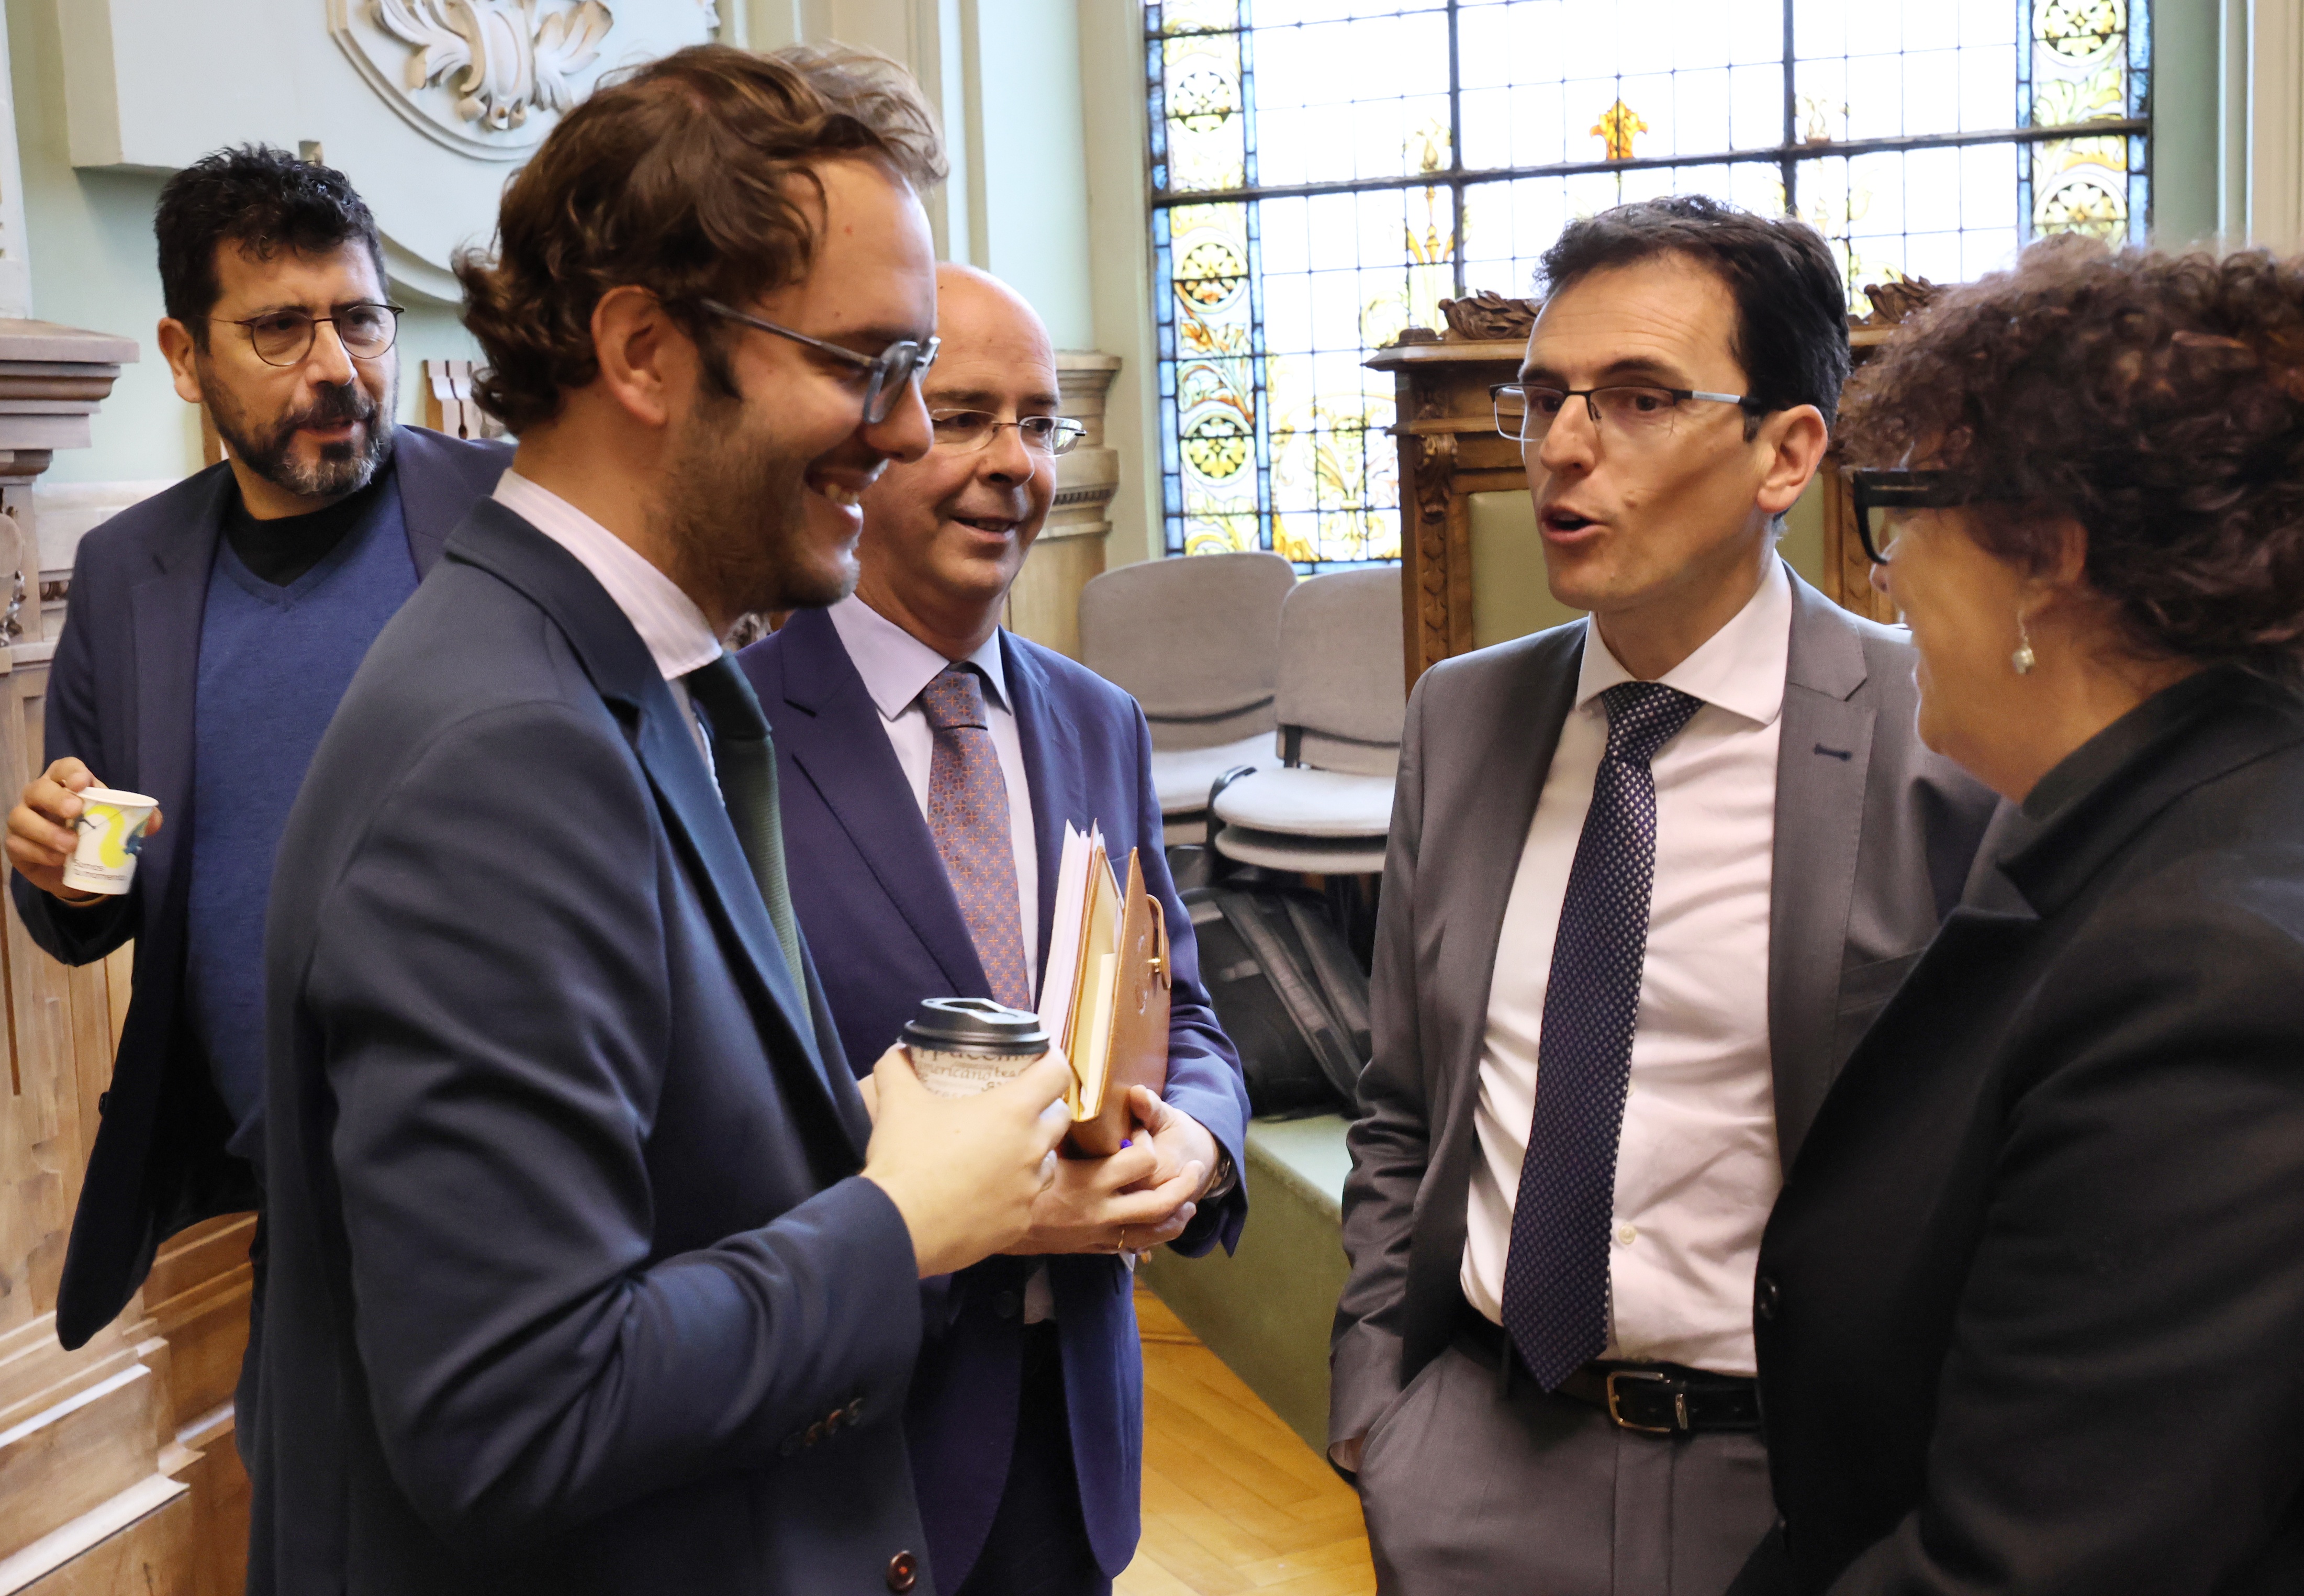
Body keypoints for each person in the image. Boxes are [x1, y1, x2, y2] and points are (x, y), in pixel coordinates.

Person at [247, 46, 1078, 1594]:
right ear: (643, 350)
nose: (907, 433)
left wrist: (864, 1129)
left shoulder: (652, 677)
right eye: (868, 364)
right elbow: (516, 1413)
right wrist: (900, 1220)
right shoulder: (505, 750)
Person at [1327, 195, 2001, 1595]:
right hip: (1477, 1462)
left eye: (1638, 399)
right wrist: (1379, 1406)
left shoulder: (1932, 737)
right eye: (1544, 400)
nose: (1562, 449)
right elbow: (1402, 1103)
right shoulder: (1461, 716)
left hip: (1795, 1484)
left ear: (1785, 452)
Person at [1728, 242, 2304, 1594]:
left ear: (2046, 557)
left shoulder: (2211, 975)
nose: (1883, 572)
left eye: (1904, 506)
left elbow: (2030, 1558)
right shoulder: (2147, 824)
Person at [737, 262, 1250, 1596]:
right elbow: (728, 1121)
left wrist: (1196, 1143)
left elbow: (1183, 1012)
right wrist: (996, 1208)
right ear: (870, 435)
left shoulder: (1097, 718)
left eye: (1037, 423)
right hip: (849, 1445)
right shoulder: (728, 732)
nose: (1012, 462)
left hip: (1072, 1439)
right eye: (964, 417)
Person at [1, 146, 508, 1364]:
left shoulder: (513, 517)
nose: (337, 366)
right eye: (280, 329)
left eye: (361, 320)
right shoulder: (126, 575)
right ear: (184, 357)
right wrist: (58, 868)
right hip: (280, 1209)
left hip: (521, 1179)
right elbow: (93, 899)